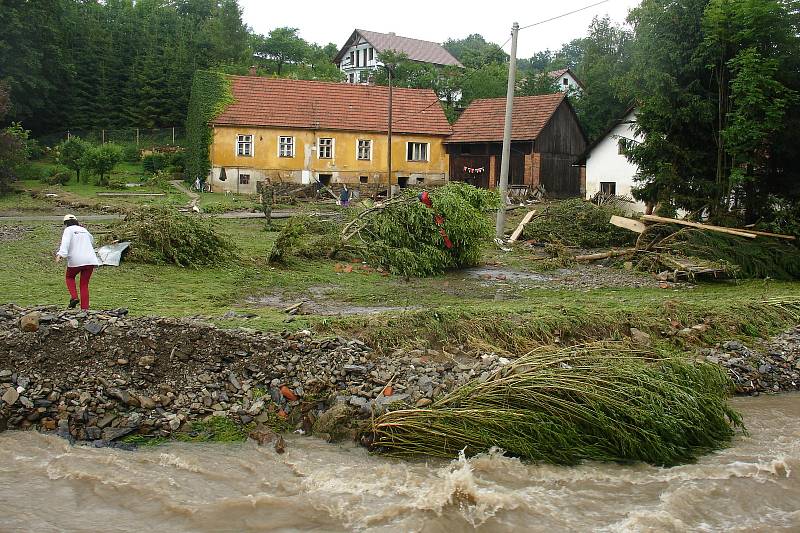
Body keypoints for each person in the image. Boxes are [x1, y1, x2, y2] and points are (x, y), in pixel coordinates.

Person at [56, 214, 100, 310]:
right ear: (76, 221)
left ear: (65, 223)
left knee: (69, 277)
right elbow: (91, 241)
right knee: (84, 285)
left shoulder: (68, 230)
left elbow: (65, 242)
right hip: (90, 260)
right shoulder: (84, 230)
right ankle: (85, 309)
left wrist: (61, 254)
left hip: (76, 260)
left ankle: (74, 297)